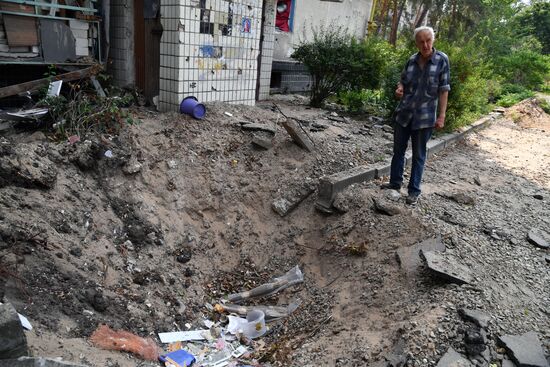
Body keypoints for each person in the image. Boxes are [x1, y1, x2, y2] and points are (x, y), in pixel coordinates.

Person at [382, 26, 450, 205]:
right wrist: (400, 89)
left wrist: (441, 116)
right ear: (416, 43)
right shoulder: (412, 60)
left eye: (428, 40)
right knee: (398, 151)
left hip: (425, 117)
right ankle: (395, 183)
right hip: (404, 114)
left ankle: (413, 191)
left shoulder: (442, 60)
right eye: (421, 41)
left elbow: (444, 90)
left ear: (433, 40)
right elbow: (402, 81)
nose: (425, 45)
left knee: (419, 155)